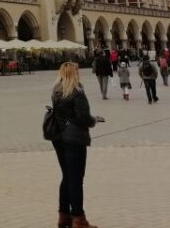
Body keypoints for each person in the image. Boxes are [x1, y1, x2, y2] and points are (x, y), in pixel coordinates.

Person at [50, 61, 103, 228]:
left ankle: (63, 215)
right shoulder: (77, 91)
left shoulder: (56, 90)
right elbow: (83, 117)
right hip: (74, 140)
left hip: (59, 138)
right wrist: (93, 120)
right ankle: (78, 218)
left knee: (66, 176)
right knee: (76, 179)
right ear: (74, 74)